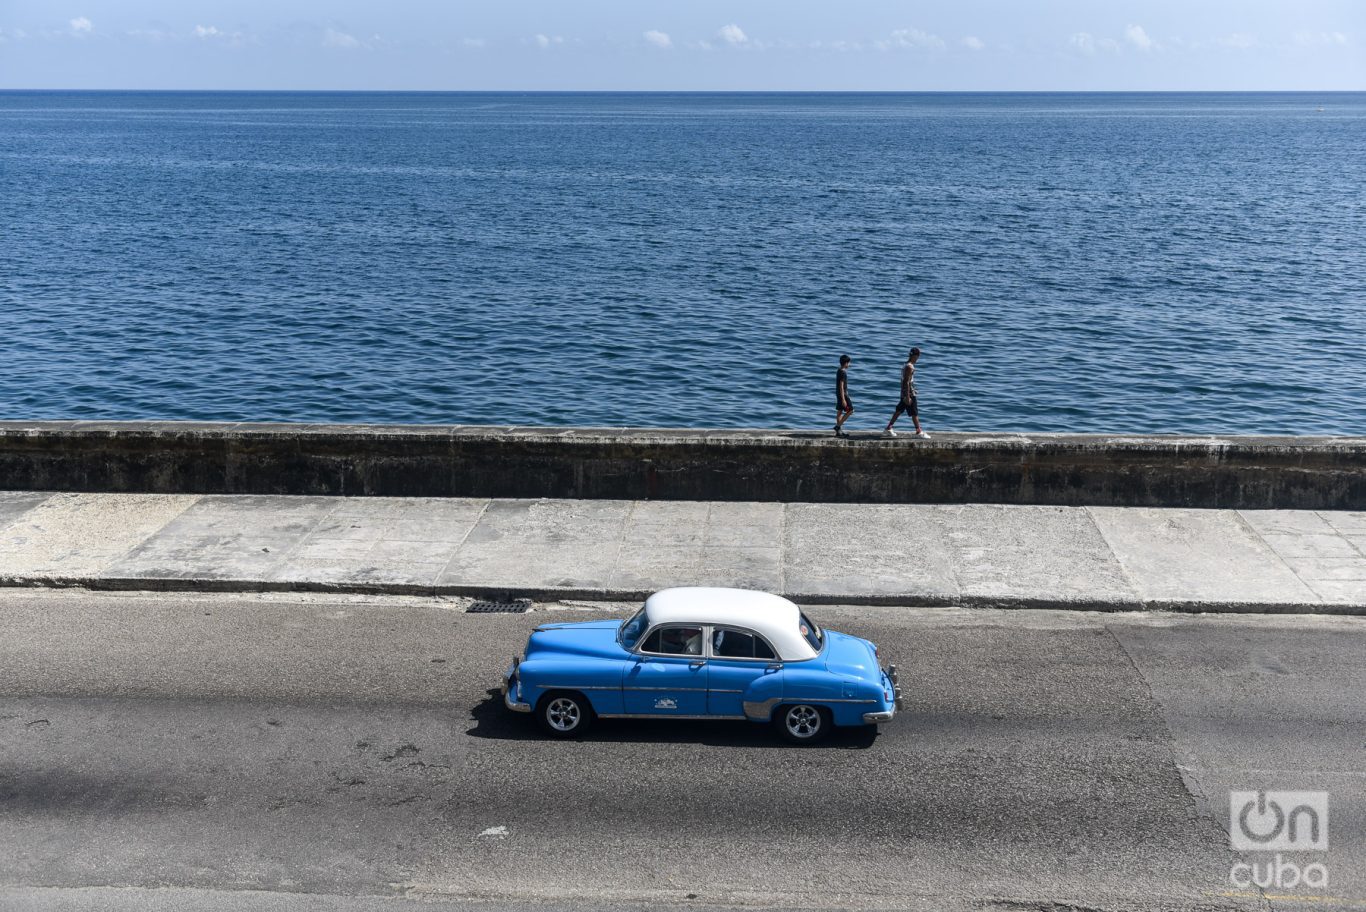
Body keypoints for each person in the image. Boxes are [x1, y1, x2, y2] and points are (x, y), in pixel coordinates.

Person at [883, 347, 930, 439]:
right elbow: (906, 382)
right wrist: (908, 396)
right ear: (915, 356)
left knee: (899, 410)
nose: (918, 358)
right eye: (918, 356)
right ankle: (919, 431)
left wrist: (905, 393)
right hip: (909, 394)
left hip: (905, 393)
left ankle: (888, 428)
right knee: (914, 412)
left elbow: (905, 381)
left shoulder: (905, 365)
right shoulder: (910, 367)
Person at [834, 354, 855, 437]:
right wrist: (843, 399)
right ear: (846, 363)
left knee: (839, 411)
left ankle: (838, 432)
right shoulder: (843, 373)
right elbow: (842, 386)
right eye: (849, 363)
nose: (849, 365)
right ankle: (838, 426)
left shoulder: (839, 370)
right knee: (851, 410)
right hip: (843, 394)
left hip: (839, 393)